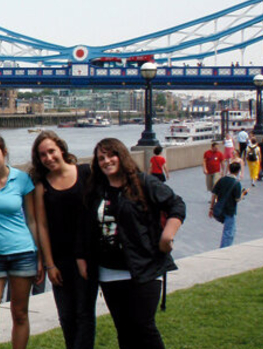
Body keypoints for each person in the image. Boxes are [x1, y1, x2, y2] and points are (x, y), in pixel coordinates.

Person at [77, 138, 185, 349]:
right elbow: (85, 226)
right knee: (124, 330)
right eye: (101, 158)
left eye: (111, 155)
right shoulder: (96, 190)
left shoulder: (143, 182)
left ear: (121, 155)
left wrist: (167, 236)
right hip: (109, 272)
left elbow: (176, 204)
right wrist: (81, 258)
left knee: (144, 328)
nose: (107, 161)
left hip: (143, 268)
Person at [0, 134, 42, 349]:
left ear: (4, 152)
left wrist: (40, 256)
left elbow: (31, 220)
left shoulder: (22, 179)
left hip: (22, 253)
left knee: (19, 314)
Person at [30, 131, 97, 349]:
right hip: (60, 259)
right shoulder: (42, 185)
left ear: (61, 149)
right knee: (67, 316)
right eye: (43, 155)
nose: (48, 158)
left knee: (85, 313)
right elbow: (42, 225)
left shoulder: (86, 173)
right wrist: (49, 264)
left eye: (51, 151)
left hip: (87, 256)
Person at [210, 162, 245, 248]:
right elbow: (237, 199)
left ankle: (225, 247)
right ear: (238, 171)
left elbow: (214, 193)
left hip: (220, 209)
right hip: (230, 210)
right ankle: (224, 249)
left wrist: (211, 208)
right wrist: (243, 194)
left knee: (230, 229)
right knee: (229, 231)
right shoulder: (236, 183)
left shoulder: (222, 180)